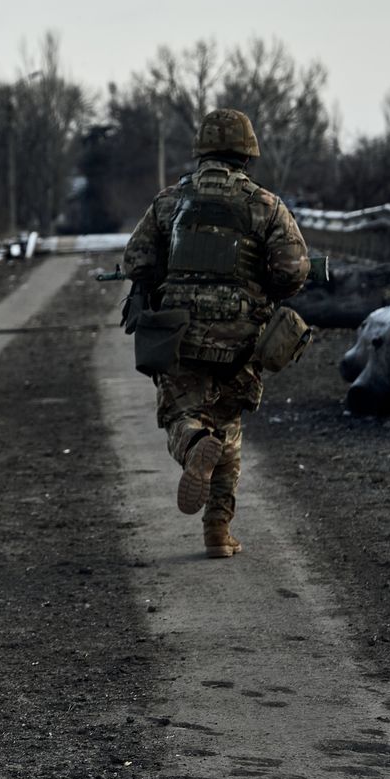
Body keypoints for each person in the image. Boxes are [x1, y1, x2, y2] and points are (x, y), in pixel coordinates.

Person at [121, 108, 309, 558]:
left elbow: (137, 261)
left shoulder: (170, 201)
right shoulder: (265, 204)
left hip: (178, 334)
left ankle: (194, 445)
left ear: (201, 150)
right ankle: (218, 532)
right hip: (241, 339)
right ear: (247, 152)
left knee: (181, 415)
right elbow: (292, 271)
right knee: (228, 424)